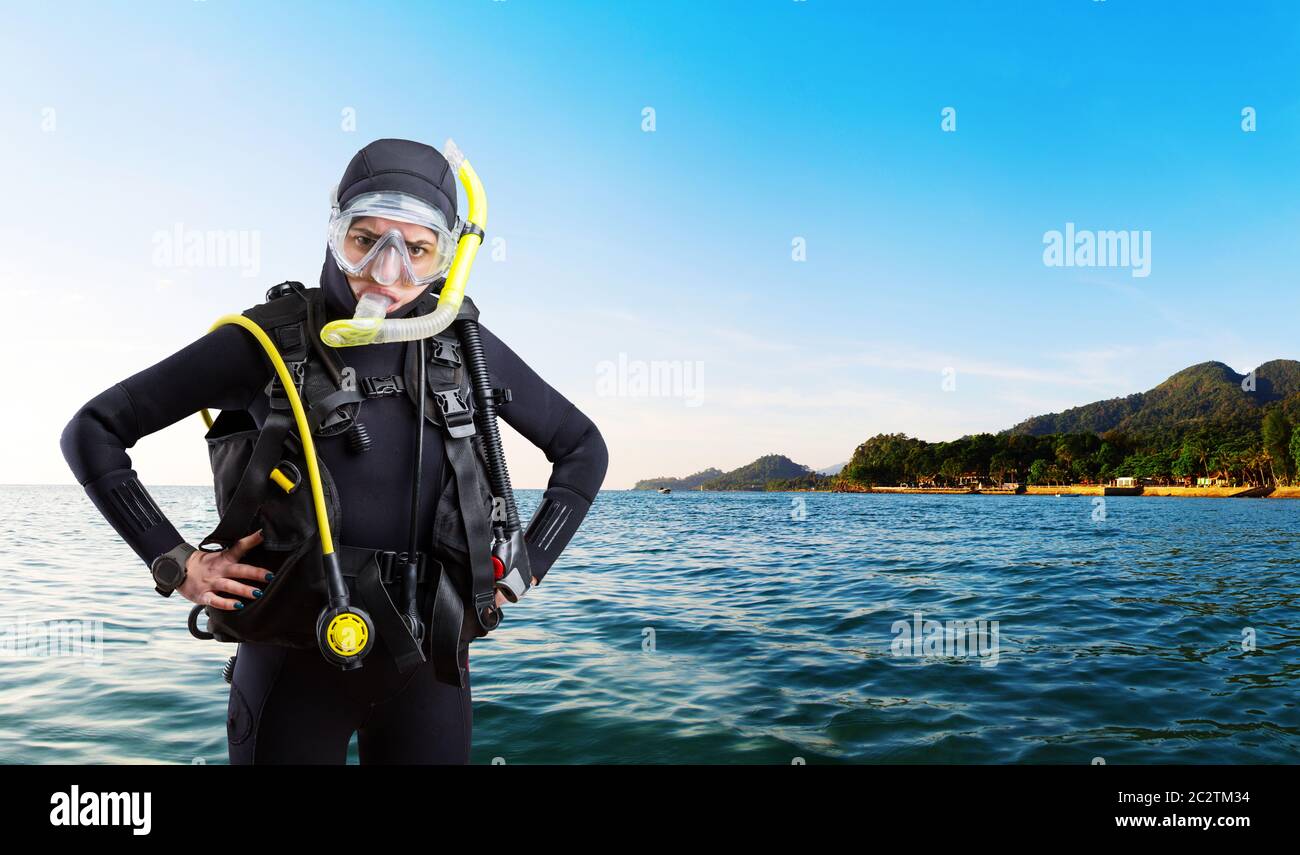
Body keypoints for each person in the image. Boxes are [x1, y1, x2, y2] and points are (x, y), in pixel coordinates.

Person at [60, 138, 608, 764]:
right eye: (364, 239)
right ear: (333, 233)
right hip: (290, 665)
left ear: (448, 259)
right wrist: (174, 561)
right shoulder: (263, 341)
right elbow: (94, 429)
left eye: (417, 249)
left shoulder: (464, 349)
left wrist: (526, 567)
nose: (386, 269)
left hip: (432, 667)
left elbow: (583, 448)